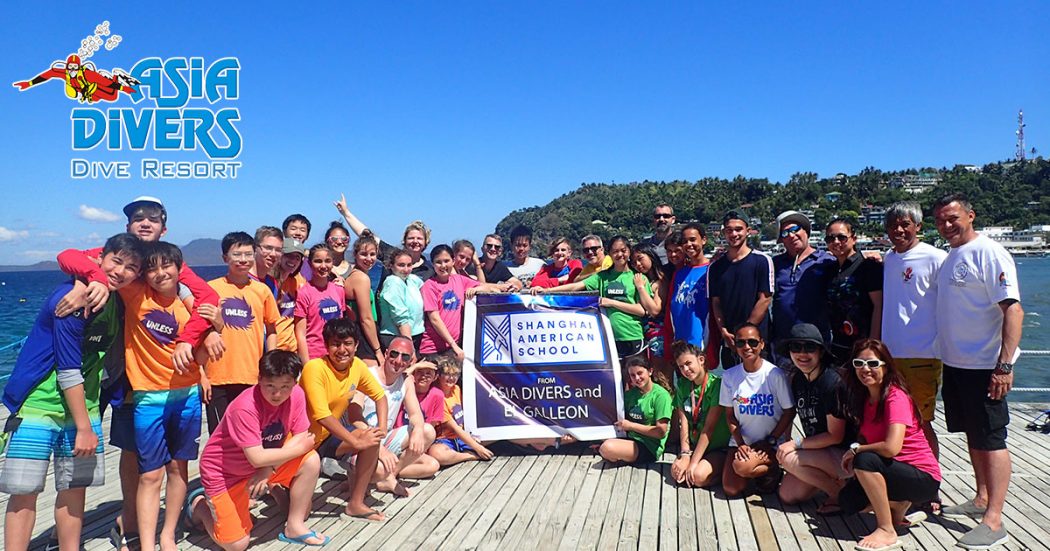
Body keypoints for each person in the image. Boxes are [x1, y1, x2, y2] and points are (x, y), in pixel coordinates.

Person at [53, 196, 221, 551]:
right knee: (114, 452)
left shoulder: (169, 262)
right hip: (109, 372)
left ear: (164, 227)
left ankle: (138, 526)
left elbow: (204, 297)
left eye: (153, 218)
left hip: (163, 378)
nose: (145, 223)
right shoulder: (121, 256)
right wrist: (93, 278)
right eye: (137, 217)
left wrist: (195, 339)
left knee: (150, 458)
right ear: (127, 226)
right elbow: (70, 256)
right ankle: (81, 532)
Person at [0, 234, 143, 551]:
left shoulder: (116, 300)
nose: (120, 271)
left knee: (74, 490)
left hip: (86, 405)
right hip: (39, 405)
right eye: (115, 262)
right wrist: (83, 427)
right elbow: (67, 367)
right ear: (101, 258)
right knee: (24, 492)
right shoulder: (70, 297)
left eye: (131, 267)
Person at [933, 193, 1021, 549]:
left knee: (992, 438)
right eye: (940, 220)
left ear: (970, 215)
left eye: (953, 218)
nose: (947, 225)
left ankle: (995, 519)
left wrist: (1004, 365)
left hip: (985, 366)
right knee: (973, 434)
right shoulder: (952, 255)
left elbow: (1013, 310)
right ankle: (981, 497)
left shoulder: (990, 252)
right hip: (955, 364)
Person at [118, 241, 211, 551]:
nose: (159, 274)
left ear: (179, 268)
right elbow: (85, 260)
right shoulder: (137, 294)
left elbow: (207, 335)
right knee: (150, 474)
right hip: (149, 397)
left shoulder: (190, 306)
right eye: (152, 268)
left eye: (166, 266)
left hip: (186, 396)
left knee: (179, 468)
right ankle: (146, 544)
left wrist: (214, 332)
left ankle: (167, 535)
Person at [187, 350, 329, 549]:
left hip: (264, 463)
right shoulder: (245, 406)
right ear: (259, 379)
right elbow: (257, 456)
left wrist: (268, 468)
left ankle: (295, 526)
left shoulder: (297, 394)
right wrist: (268, 462)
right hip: (225, 472)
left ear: (295, 383)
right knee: (237, 545)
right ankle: (199, 506)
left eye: (285, 386)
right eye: (270, 385)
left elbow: (301, 436)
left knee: (311, 461)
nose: (277, 394)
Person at [838, 339, 941, 551]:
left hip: (923, 477)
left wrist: (856, 450)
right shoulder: (865, 400)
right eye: (859, 363)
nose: (865, 369)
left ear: (886, 365)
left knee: (864, 459)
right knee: (848, 501)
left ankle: (887, 530)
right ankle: (898, 506)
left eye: (873, 364)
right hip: (894, 471)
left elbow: (891, 448)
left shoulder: (896, 396)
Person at [299, 318, 387, 521]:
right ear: (326, 346)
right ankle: (277, 485)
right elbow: (321, 416)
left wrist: (381, 428)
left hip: (327, 437)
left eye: (347, 343)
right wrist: (355, 441)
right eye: (335, 344)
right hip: (302, 440)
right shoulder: (315, 368)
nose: (341, 350)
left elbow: (380, 397)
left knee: (371, 437)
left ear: (356, 345)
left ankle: (356, 504)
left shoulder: (356, 365)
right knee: (296, 514)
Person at [880, 202, 946, 464]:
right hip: (889, 356)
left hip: (923, 354)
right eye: (893, 225)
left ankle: (931, 481)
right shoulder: (889, 258)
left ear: (918, 226)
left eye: (905, 224)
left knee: (921, 421)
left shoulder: (935, 257)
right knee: (894, 420)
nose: (898, 229)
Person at [205, 232, 281, 434]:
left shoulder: (262, 290)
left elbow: (272, 328)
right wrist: (201, 374)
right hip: (217, 377)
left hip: (251, 375)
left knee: (248, 433)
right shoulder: (211, 289)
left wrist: (271, 360)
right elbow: (199, 330)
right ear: (225, 258)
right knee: (220, 436)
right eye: (237, 254)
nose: (243, 260)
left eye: (248, 254)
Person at [534, 236, 650, 360]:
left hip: (632, 336)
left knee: (637, 377)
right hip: (609, 338)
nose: (619, 254)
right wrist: (546, 290)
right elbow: (575, 286)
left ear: (629, 251)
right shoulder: (602, 276)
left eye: (623, 250)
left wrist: (611, 302)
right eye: (615, 251)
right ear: (609, 253)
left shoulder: (638, 278)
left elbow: (642, 310)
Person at [349, 337, 440, 496]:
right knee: (378, 470)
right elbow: (355, 417)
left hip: (385, 437)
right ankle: (365, 475)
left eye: (405, 357)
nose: (398, 361)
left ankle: (390, 476)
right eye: (394, 354)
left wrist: (418, 429)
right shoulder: (367, 375)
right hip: (360, 441)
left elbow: (415, 413)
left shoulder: (406, 381)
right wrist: (380, 449)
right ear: (385, 354)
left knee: (427, 431)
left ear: (411, 360)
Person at [775, 324, 850, 513]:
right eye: (796, 348)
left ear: (821, 352)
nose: (802, 354)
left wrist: (795, 443)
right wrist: (785, 439)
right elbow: (790, 413)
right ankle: (834, 481)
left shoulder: (832, 383)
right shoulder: (798, 379)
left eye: (809, 348)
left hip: (845, 453)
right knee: (788, 495)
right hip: (819, 452)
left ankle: (842, 495)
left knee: (789, 458)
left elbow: (836, 436)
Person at [719, 323, 795, 498]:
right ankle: (763, 472)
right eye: (741, 343)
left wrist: (772, 439)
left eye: (752, 342)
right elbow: (730, 416)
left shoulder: (775, 374)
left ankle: (773, 467)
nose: (747, 347)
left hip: (769, 442)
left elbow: (789, 411)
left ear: (762, 344)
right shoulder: (729, 376)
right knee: (731, 488)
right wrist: (740, 444)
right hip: (743, 443)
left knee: (742, 467)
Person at [708, 210, 774, 369]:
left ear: (748, 231)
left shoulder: (762, 261)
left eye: (738, 229)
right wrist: (723, 331)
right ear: (724, 232)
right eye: (729, 230)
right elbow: (716, 303)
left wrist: (744, 334)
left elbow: (765, 299)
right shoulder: (716, 267)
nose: (734, 233)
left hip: (757, 340)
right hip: (730, 342)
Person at [419, 245, 506, 361]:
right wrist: (454, 345)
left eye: (446, 261)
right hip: (433, 349)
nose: (443, 266)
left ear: (453, 261)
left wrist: (477, 289)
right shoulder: (429, 286)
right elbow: (435, 319)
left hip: (452, 348)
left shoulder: (459, 280)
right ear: (433, 264)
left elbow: (487, 287)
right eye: (438, 262)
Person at [771, 210, 837, 358]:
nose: (791, 235)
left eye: (795, 229)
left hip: (818, 343)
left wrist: (870, 256)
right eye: (785, 233)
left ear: (806, 231)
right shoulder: (774, 264)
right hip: (784, 345)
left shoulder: (826, 261)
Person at [669, 341, 730, 488]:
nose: (686, 370)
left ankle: (724, 472)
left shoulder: (716, 385)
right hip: (694, 446)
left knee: (697, 476)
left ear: (701, 360)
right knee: (676, 473)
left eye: (688, 363)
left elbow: (709, 428)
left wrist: (693, 463)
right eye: (681, 367)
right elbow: (683, 422)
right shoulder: (683, 385)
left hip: (717, 446)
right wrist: (684, 454)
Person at [335, 194, 435, 283]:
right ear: (404, 240)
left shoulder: (430, 270)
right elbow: (366, 235)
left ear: (426, 242)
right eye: (411, 238)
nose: (415, 241)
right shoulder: (391, 255)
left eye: (419, 238)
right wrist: (346, 213)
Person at [825, 218, 883, 361]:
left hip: (863, 344)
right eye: (830, 238)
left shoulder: (868, 266)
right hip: (837, 344)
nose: (836, 242)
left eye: (842, 237)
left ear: (854, 239)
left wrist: (873, 343)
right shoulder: (830, 269)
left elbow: (878, 305)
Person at [597, 357, 672, 464]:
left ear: (650, 371)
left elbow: (661, 432)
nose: (637, 378)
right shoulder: (630, 394)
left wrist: (631, 426)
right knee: (598, 434)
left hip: (648, 446)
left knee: (607, 448)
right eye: (633, 375)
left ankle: (618, 454)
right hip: (629, 438)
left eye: (640, 373)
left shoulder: (661, 396)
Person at [427, 356, 495, 466]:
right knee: (437, 454)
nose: (451, 378)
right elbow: (454, 428)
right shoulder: (437, 396)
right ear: (439, 376)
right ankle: (469, 456)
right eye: (447, 374)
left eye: (455, 374)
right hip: (445, 440)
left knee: (500, 432)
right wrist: (478, 448)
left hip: (464, 436)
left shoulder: (457, 389)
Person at [294, 244, 346, 363]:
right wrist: (307, 364)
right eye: (318, 261)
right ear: (310, 264)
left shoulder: (339, 290)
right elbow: (300, 334)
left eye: (327, 261)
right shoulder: (304, 292)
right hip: (314, 356)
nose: (323, 266)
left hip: (337, 355)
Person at [667, 223, 710, 349]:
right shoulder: (679, 273)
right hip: (680, 342)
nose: (689, 244)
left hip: (701, 342)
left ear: (703, 240)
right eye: (685, 241)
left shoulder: (711, 270)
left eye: (693, 239)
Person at [345, 230, 384, 366]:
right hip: (363, 334)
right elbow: (366, 319)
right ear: (355, 255)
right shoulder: (361, 278)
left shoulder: (353, 274)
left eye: (372, 254)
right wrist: (378, 350)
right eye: (363, 254)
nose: (369, 258)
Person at [378, 249, 426, 351]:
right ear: (391, 266)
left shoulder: (412, 280)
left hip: (415, 335)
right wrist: (409, 347)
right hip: (397, 337)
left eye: (409, 265)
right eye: (401, 265)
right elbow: (400, 318)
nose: (406, 269)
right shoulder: (393, 282)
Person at [631, 244, 667, 373]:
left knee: (660, 375)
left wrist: (640, 288)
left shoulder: (660, 281)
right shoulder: (643, 280)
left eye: (640, 259)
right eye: (634, 262)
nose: (638, 264)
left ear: (651, 256)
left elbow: (655, 310)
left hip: (658, 334)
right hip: (644, 334)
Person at [273, 238, 307, 353]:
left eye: (297, 257)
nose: (293, 260)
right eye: (289, 255)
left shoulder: (297, 282)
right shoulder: (268, 282)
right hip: (273, 347)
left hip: (292, 349)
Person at [247, 226, 283, 299]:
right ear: (254, 248)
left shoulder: (273, 283)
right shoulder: (241, 281)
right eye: (268, 248)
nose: (273, 254)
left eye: (278, 250)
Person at [282, 214, 313, 281]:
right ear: (284, 232)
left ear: (307, 235)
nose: (298, 233)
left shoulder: (311, 263)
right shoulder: (276, 257)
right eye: (293, 229)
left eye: (302, 230)